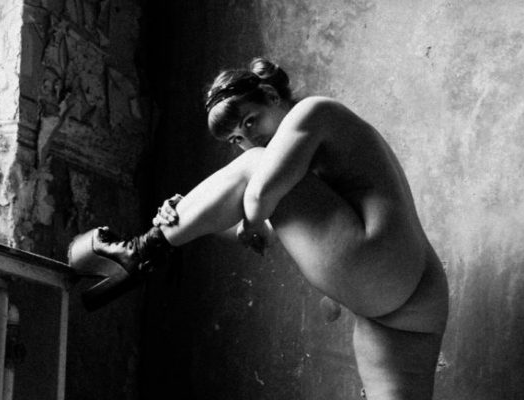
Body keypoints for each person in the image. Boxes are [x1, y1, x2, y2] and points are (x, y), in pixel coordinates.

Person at [68, 57, 449, 399]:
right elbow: (256, 226)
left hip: (379, 264)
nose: (249, 139)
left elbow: (257, 197)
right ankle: (153, 244)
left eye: (251, 121)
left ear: (271, 95)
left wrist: (238, 216)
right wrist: (189, 208)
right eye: (236, 138)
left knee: (255, 164)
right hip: (420, 294)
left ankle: (140, 251)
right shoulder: (305, 166)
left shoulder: (314, 112)